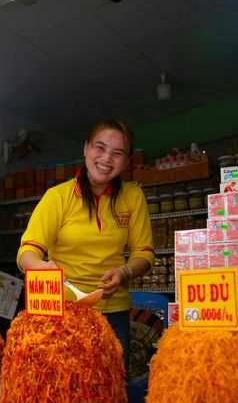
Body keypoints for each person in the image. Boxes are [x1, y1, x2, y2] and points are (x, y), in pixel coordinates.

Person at [16, 119, 154, 369]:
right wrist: (40, 267)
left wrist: (124, 273)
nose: (106, 158)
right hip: (63, 311)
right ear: (86, 149)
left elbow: (144, 254)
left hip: (113, 312)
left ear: (126, 161)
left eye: (117, 153)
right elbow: (27, 251)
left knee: (109, 389)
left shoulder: (133, 197)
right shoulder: (58, 196)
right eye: (99, 147)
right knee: (61, 386)